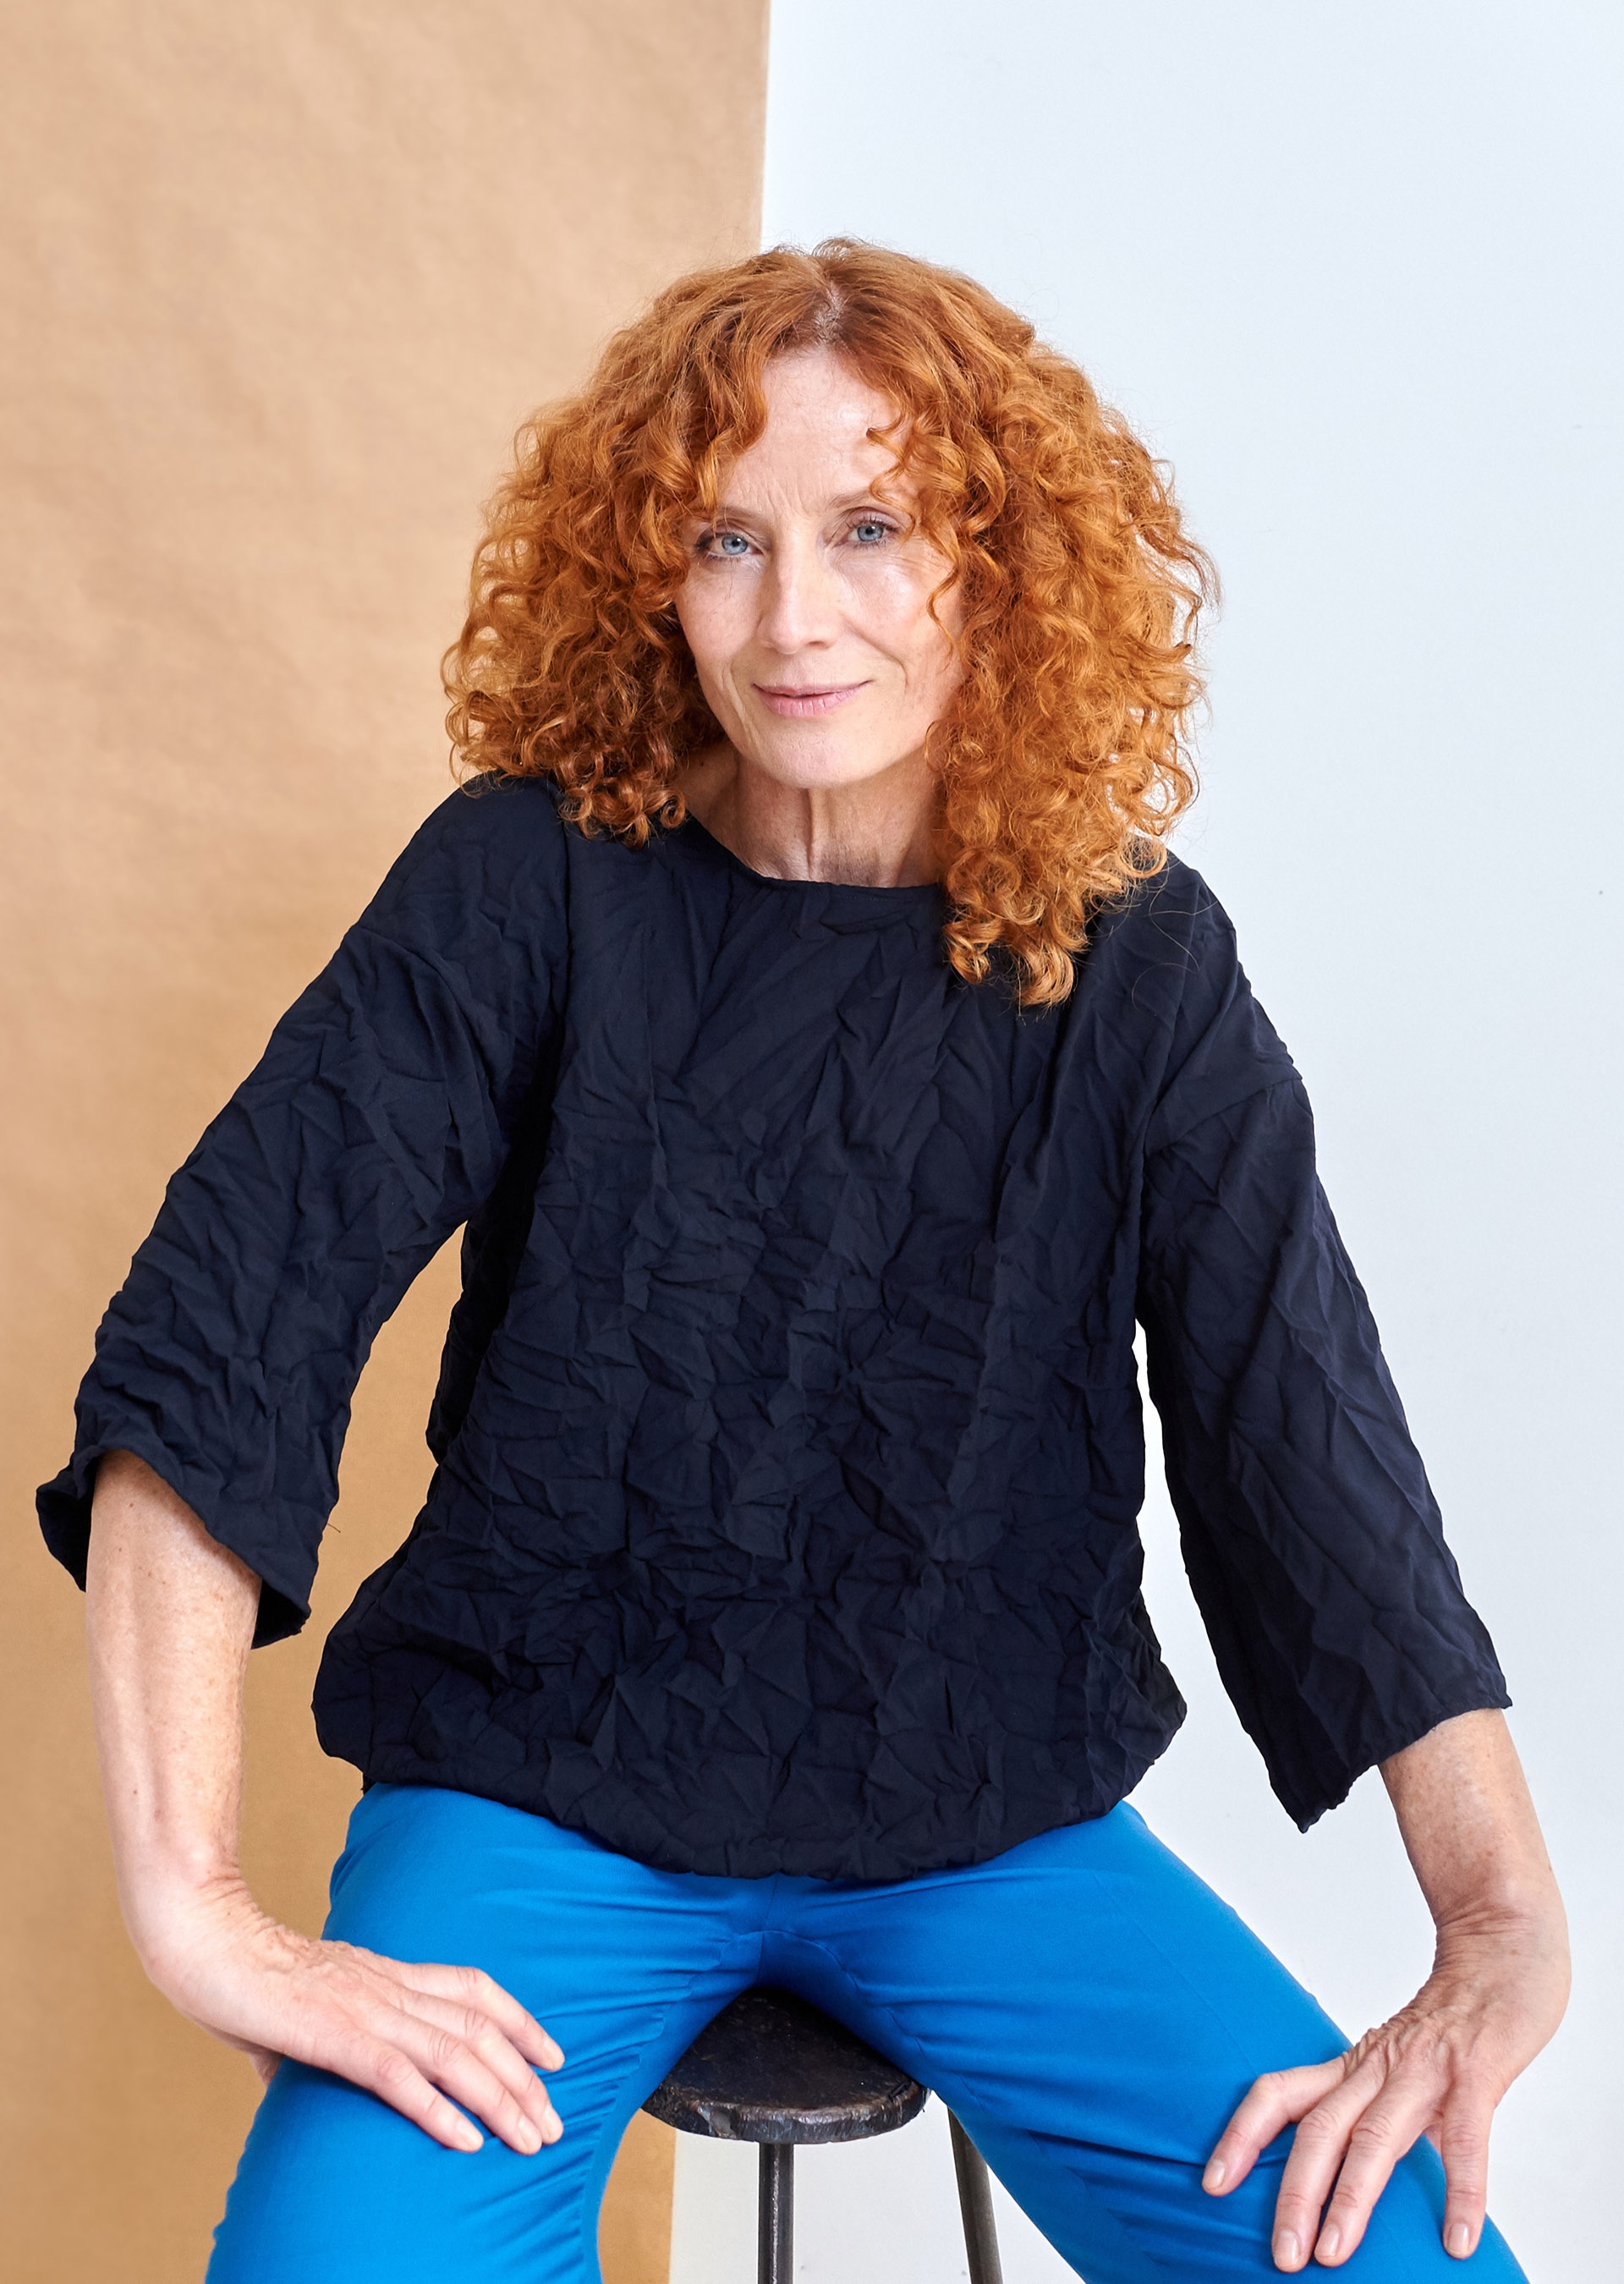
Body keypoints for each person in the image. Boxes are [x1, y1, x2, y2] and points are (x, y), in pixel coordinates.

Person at [41, 241, 1567, 2282]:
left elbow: (1312, 1456)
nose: (794, 620)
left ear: (995, 565)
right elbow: (225, 1327)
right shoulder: (528, 883)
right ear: (648, 577)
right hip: (539, 1798)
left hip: (989, 1822)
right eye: (724, 541)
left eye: (871, 529)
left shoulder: (1141, 966)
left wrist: (1500, 1929)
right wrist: (195, 1904)